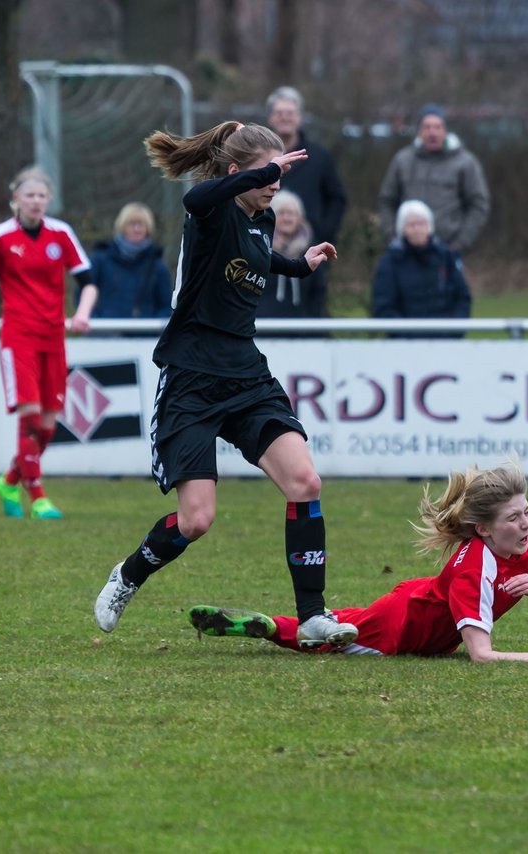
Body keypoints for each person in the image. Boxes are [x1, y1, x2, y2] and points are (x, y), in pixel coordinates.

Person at [92, 121, 356, 650]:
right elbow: (195, 196)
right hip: (190, 376)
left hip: (245, 372)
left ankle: (311, 616)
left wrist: (298, 267)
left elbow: (253, 263)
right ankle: (129, 574)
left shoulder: (264, 217)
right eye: (267, 176)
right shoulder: (211, 210)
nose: (275, 185)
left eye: (279, 176)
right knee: (197, 521)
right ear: (239, 172)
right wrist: (263, 171)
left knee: (305, 482)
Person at [186, 461, 528, 664]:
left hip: (416, 601)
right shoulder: (475, 568)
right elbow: (482, 656)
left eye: (527, 511)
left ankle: (267, 622)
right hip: (405, 627)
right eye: (514, 517)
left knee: (336, 621)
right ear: (484, 529)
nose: (526, 522)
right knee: (328, 640)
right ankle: (266, 629)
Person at [0, 165, 98, 520]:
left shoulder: (61, 234)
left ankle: (9, 480)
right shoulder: (0, 238)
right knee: (30, 415)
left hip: (53, 337)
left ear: (48, 200)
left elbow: (88, 281)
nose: (36, 201)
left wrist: (82, 312)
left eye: (42, 196)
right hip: (18, 338)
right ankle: (37, 496)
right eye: (29, 195)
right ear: (16, 200)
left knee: (49, 425)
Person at [265, 85, 347, 316]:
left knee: (311, 308)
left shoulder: (319, 157)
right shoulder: (258, 158)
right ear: (271, 118)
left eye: (290, 113)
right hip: (265, 246)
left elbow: (337, 199)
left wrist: (323, 234)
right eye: (280, 113)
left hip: (308, 247)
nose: (285, 118)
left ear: (299, 118)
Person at [377, 103, 491, 255]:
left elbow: (479, 205)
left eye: (438, 127)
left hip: (448, 250)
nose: (432, 132)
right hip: (406, 252)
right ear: (419, 131)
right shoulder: (402, 160)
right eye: (427, 127)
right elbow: (386, 201)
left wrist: (460, 243)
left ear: (446, 131)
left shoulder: (465, 163)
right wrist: (393, 238)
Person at [371, 199, 472, 338]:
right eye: (412, 225)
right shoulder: (390, 262)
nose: (417, 229)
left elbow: (462, 297)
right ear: (402, 229)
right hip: (405, 346)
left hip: (446, 341)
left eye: (422, 223)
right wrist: (408, 335)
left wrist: (453, 330)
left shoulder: (446, 257)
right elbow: (384, 307)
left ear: (429, 227)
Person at [87, 202, 172, 321]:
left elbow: (165, 306)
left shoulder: (157, 265)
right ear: (122, 226)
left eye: (142, 225)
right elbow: (83, 292)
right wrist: (95, 321)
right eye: (132, 224)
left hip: (145, 336)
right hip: (105, 334)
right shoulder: (100, 259)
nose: (137, 229)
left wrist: (151, 329)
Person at [255, 189, 324, 322]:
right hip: (262, 325)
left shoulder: (311, 250)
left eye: (292, 213)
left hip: (302, 328)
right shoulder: (259, 246)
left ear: (300, 218)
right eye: (281, 213)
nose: (287, 218)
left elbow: (318, 290)